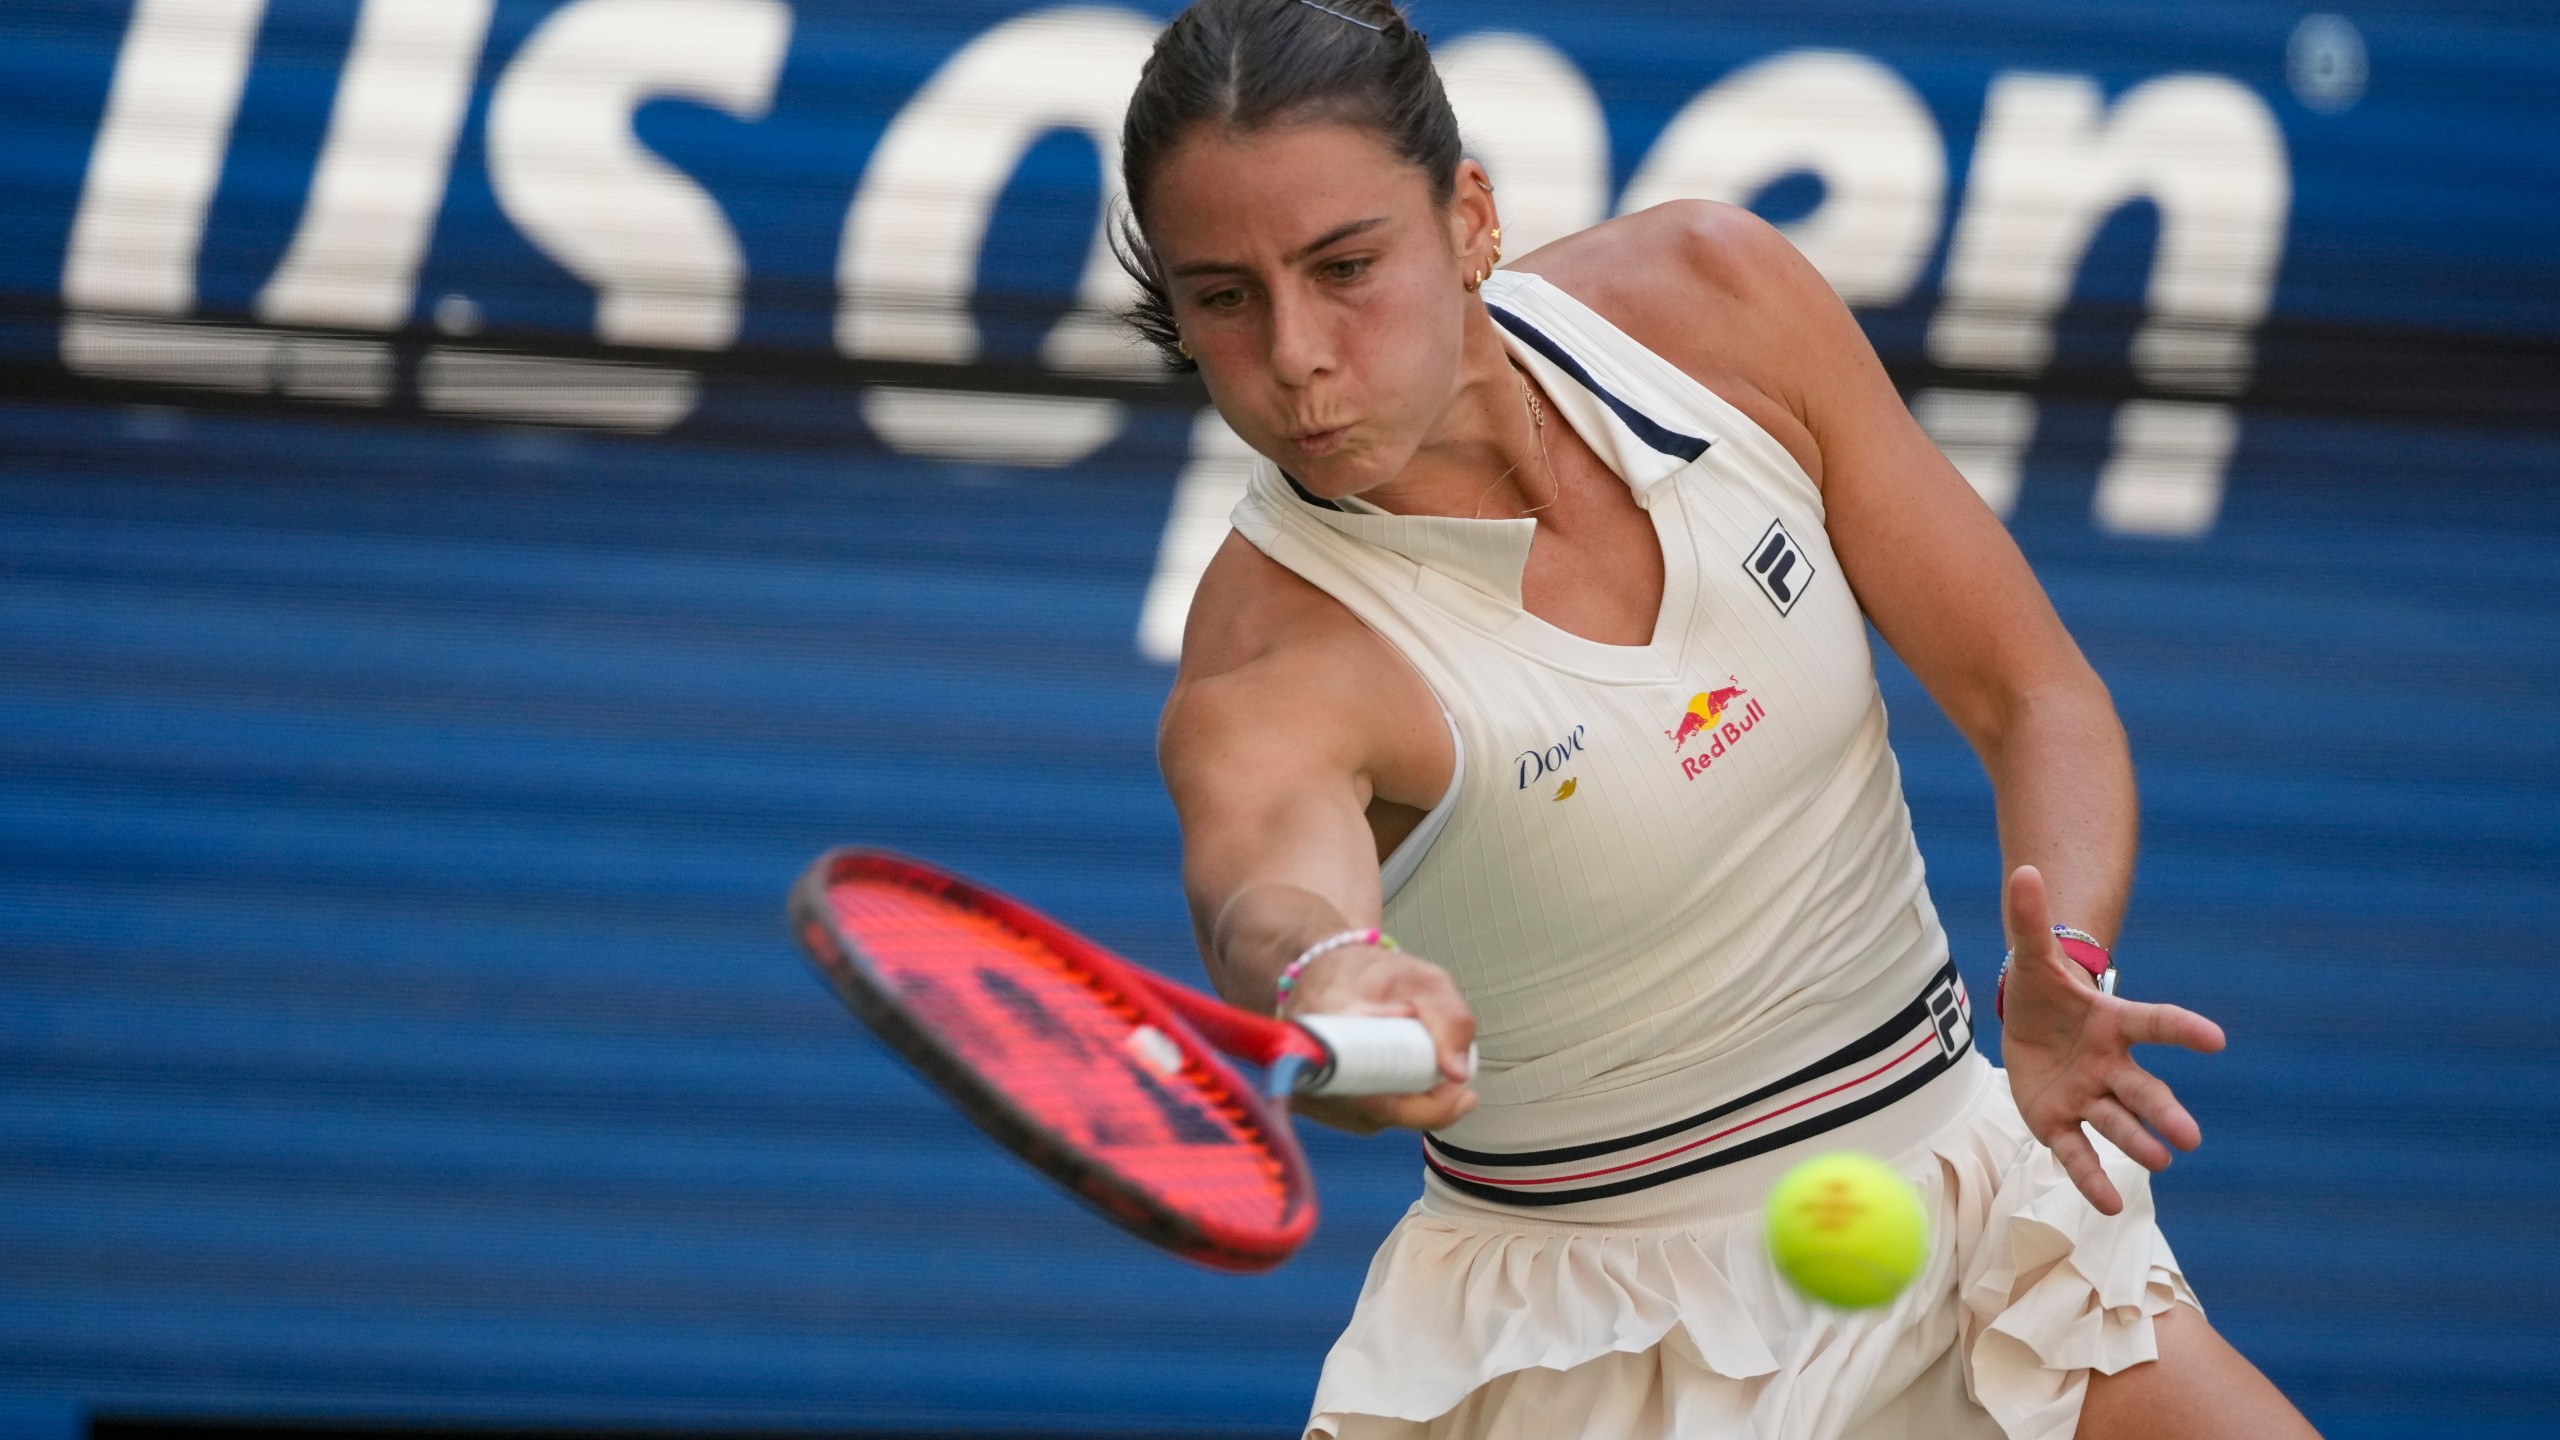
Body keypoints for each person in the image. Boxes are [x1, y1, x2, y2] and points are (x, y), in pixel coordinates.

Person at [1117, 2, 2323, 1436]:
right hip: (1589, 1358)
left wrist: (2060, 957)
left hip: (1966, 1198)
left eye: (1347, 267)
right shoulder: (1269, 661)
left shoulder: (1718, 301)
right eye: (1226, 298)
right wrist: (1333, 977)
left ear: (1470, 216)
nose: (1299, 353)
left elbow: (2031, 692)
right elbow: (1270, 895)